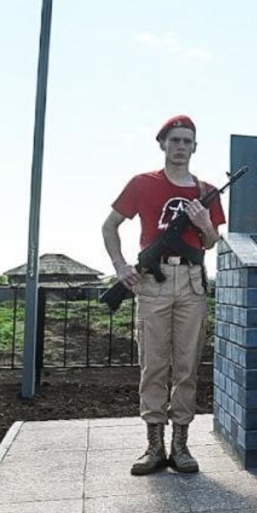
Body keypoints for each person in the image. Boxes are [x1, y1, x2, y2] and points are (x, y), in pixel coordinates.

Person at [102, 115, 225, 475]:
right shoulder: (142, 183)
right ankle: (154, 446)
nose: (181, 147)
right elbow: (109, 226)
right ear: (163, 145)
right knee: (153, 364)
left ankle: (180, 446)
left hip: (191, 282)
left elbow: (211, 242)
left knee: (187, 366)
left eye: (187, 141)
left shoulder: (207, 191)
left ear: (195, 147)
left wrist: (203, 223)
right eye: (175, 141)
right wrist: (120, 265)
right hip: (153, 282)